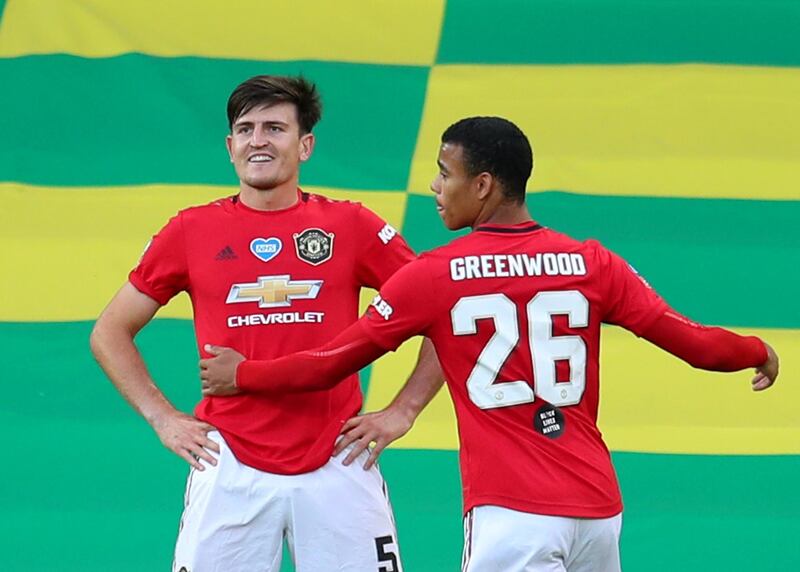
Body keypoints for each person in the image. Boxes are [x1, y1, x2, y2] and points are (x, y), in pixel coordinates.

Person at [199, 116, 780, 571]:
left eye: (444, 172)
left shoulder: (434, 275)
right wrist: (756, 350)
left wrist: (243, 376)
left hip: (512, 516)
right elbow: (697, 345)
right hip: (599, 512)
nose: (434, 186)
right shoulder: (592, 262)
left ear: (482, 185)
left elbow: (331, 363)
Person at [90, 75, 441, 572]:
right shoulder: (190, 230)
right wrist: (163, 418)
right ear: (230, 147)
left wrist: (403, 410)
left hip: (339, 461)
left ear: (305, 145)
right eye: (246, 128)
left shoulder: (351, 225)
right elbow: (108, 331)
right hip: (226, 462)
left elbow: (447, 311)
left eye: (275, 127)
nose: (258, 140)